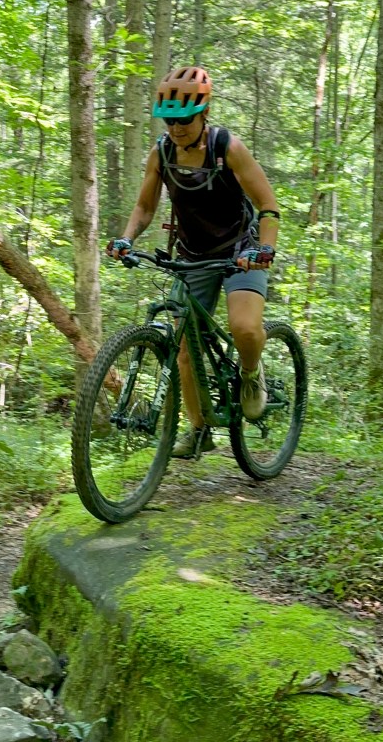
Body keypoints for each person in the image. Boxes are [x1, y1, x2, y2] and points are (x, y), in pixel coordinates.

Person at [107, 65, 280, 459]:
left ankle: (252, 375)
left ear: (204, 113)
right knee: (184, 348)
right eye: (169, 119)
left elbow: (268, 206)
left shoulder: (228, 149)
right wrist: (126, 238)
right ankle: (200, 429)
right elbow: (144, 205)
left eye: (184, 119)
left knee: (245, 328)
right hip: (192, 256)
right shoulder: (162, 152)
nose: (176, 127)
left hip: (241, 251)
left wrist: (265, 249)